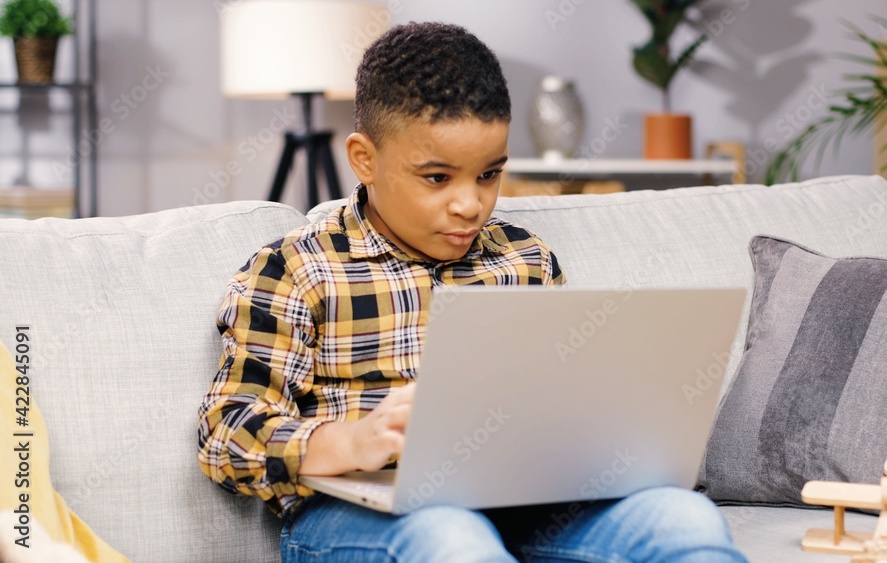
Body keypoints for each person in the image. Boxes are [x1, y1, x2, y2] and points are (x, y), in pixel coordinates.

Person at [197, 21, 746, 562]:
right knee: (452, 539)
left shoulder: (525, 260)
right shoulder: (296, 270)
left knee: (684, 517)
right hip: (360, 516)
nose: (470, 204)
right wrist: (352, 442)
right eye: (437, 178)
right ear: (365, 159)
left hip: (522, 504)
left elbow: (561, 403)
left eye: (489, 174)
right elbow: (226, 433)